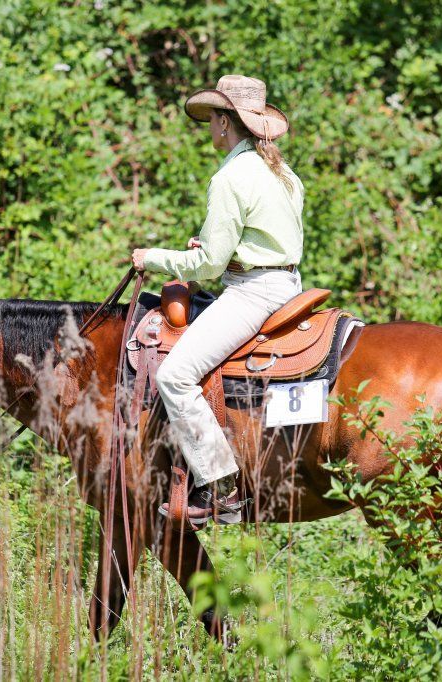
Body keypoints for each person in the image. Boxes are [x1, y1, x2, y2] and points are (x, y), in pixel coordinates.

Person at [131, 74, 304, 525]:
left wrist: (152, 257)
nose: (209, 128)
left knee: (175, 375)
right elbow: (255, 242)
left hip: (254, 293)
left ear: (227, 123)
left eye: (212, 119)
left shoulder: (230, 176)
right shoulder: (282, 172)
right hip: (287, 285)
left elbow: (208, 266)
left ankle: (222, 488)